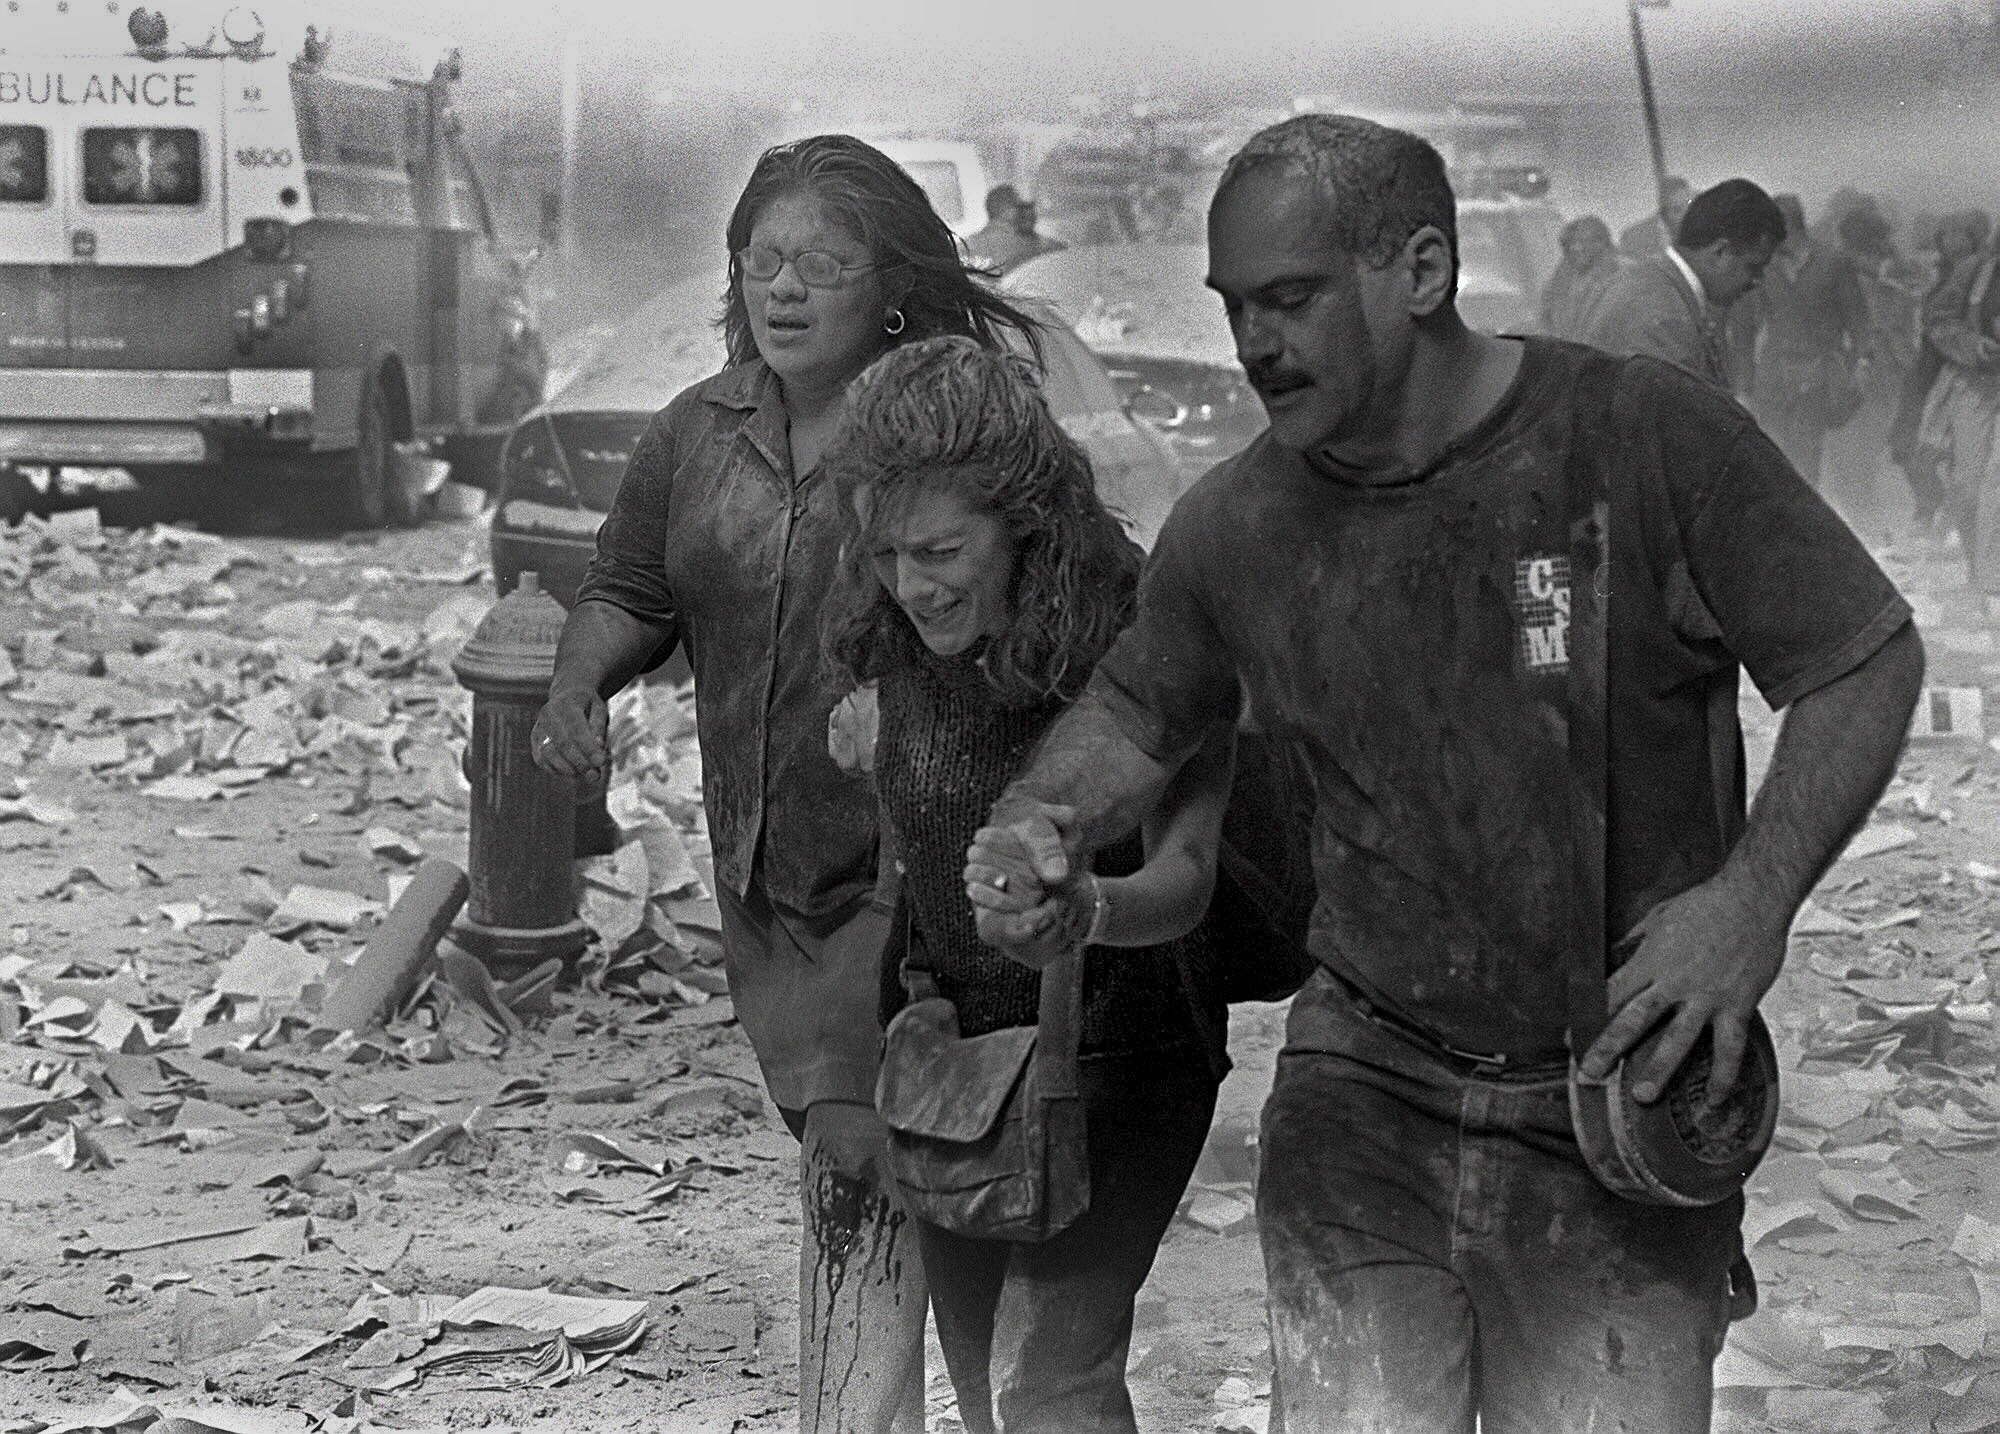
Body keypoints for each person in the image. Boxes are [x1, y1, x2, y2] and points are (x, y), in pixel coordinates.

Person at [966, 114, 1924, 1432]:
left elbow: (1860, 659)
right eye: (1235, 307)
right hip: (1363, 1100)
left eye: (1290, 299)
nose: (1253, 342)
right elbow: (1135, 711)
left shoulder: (1644, 441)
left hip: (1611, 1111)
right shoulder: (1238, 522)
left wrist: (1750, 907)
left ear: (1418, 270)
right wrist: (1041, 815)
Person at [531, 133, 1043, 1434]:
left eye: (822, 261)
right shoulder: (695, 434)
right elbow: (629, 590)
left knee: (867, 1159)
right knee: (923, 1178)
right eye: (763, 261)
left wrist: (938, 690)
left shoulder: (956, 417)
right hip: (769, 879)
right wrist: (576, 686)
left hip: (927, 876)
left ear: (890, 280)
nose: (787, 287)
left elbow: (1055, 609)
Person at [822, 335, 1231, 1434]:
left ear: (1025, 523)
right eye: (886, 551)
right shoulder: (898, 637)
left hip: (1124, 1057)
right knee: (979, 1386)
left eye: (943, 549)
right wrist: (880, 766)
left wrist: (1084, 911)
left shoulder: (1145, 642)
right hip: (957, 1070)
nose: (912, 584)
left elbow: (1189, 878)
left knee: (1047, 1383)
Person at [1584, 177, 1786, 389]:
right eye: (1754, 267)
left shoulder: (1658, 280)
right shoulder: (1662, 314)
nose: (1757, 281)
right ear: (1720, 252)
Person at [1751, 194, 1869, 487]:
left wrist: (1861, 365)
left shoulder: (1833, 262)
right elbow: (1745, 325)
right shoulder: (1762, 266)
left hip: (1817, 374)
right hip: (1773, 377)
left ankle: (1802, 526)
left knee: (1804, 458)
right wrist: (1743, 383)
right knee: (1770, 458)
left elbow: (1859, 322)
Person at [1914, 214, 2000, 594]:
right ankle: (1977, 568)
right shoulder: (1977, 271)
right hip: (1978, 386)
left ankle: (1992, 580)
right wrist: (1971, 345)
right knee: (1967, 487)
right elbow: (1937, 320)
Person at [1891, 210, 1989, 527]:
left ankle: (1950, 516)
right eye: (1945, 235)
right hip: (1929, 365)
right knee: (1908, 441)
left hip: (1961, 368)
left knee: (1957, 449)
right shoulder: (1941, 274)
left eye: (1959, 235)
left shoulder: (1982, 275)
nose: (1950, 242)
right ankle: (1929, 504)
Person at [1538, 214, 1618, 339]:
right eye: (1569, 244)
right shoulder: (1565, 273)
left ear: (1601, 243)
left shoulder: (1624, 273)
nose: (1575, 248)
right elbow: (1547, 312)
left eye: (1582, 242)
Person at [1618, 174, 1693, 258]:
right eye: (1677, 209)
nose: (1687, 214)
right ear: (1664, 212)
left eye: (1690, 205)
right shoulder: (1635, 237)